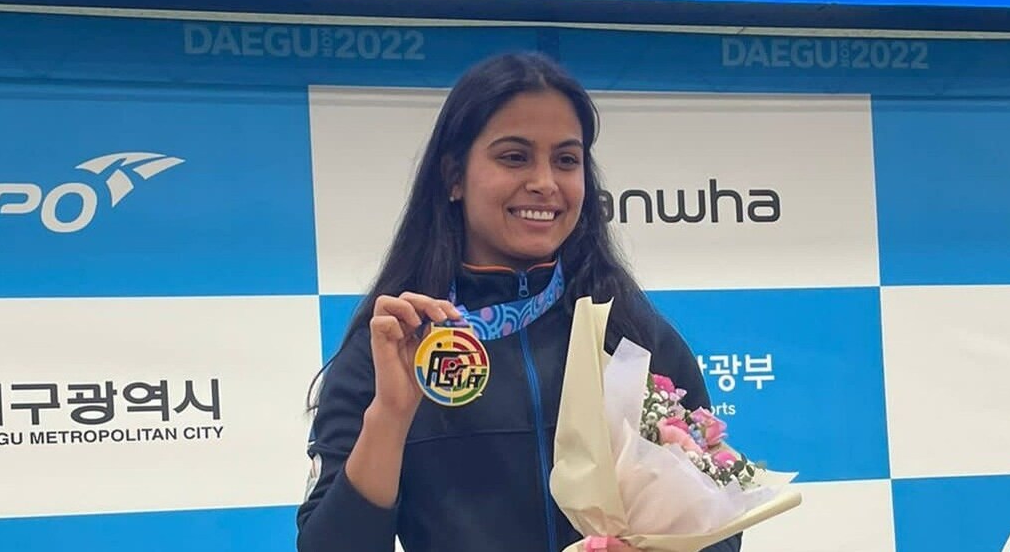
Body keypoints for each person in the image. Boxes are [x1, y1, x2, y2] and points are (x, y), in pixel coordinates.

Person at [296, 52, 741, 552]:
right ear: (453, 176)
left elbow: (719, 519)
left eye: (566, 160)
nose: (545, 183)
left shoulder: (630, 330)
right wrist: (391, 419)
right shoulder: (398, 348)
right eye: (514, 156)